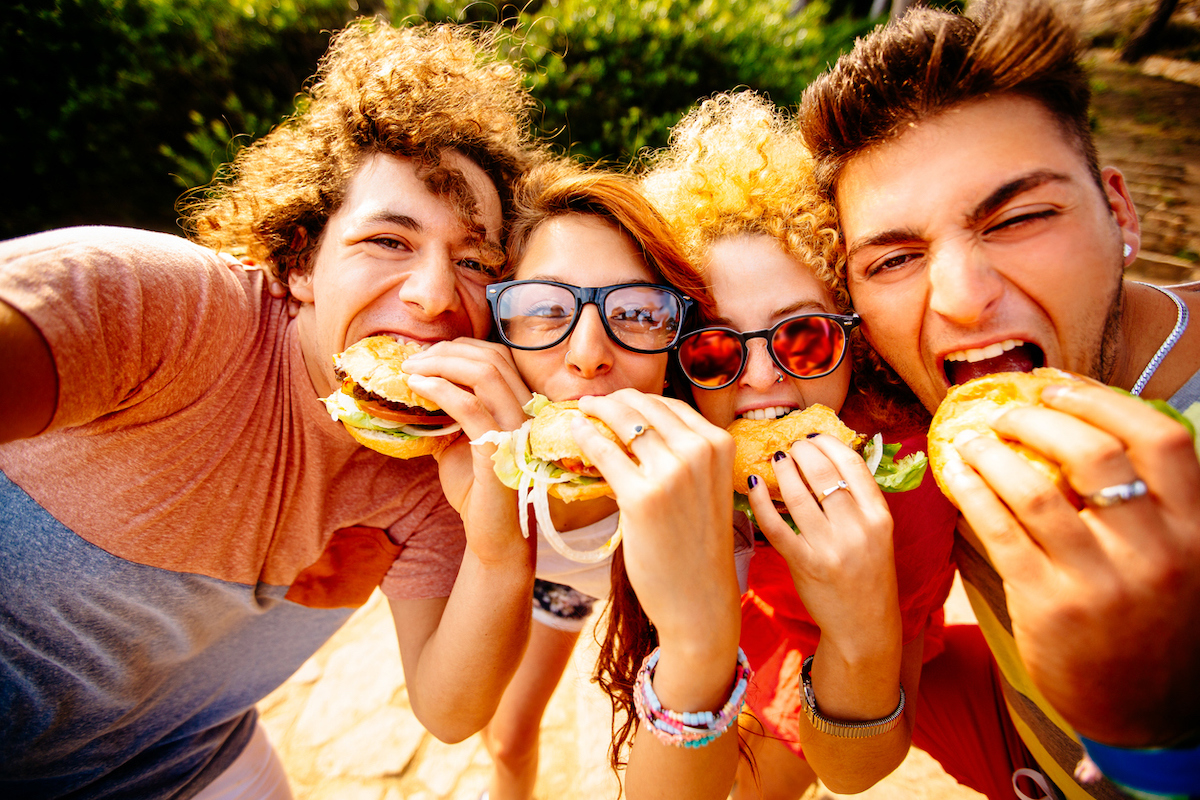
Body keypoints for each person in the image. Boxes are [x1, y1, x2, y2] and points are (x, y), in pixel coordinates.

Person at [0, 20, 544, 799]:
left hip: (179, 752)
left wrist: (500, 533)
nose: (432, 295)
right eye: (389, 241)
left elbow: (450, 711)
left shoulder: (443, 461)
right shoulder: (157, 307)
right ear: (299, 262)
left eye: (473, 261)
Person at [799, 1, 1200, 797]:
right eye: (892, 260)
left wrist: (1158, 738)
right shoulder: (896, 410)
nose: (960, 299)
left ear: (1120, 212)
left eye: (1017, 218)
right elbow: (835, 766)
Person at [589, 91, 957, 799]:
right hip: (752, 618)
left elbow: (861, 762)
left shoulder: (903, 493)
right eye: (714, 348)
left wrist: (860, 621)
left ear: (858, 338)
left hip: (842, 645)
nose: (761, 377)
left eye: (801, 337)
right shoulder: (683, 437)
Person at [399, 158, 755, 800]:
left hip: (631, 589)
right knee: (507, 741)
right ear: (496, 327)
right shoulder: (445, 444)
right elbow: (449, 713)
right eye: (542, 308)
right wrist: (494, 537)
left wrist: (700, 643)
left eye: (640, 314)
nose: (588, 353)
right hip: (543, 589)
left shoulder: (702, 491)